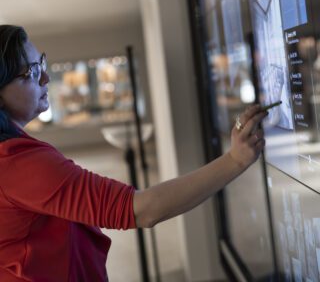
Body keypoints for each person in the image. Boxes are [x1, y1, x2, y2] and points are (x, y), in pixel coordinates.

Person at [0, 25, 267, 282]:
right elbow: (142, 209)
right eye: (32, 72)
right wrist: (234, 160)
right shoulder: (17, 163)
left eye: (42, 63)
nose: (46, 77)